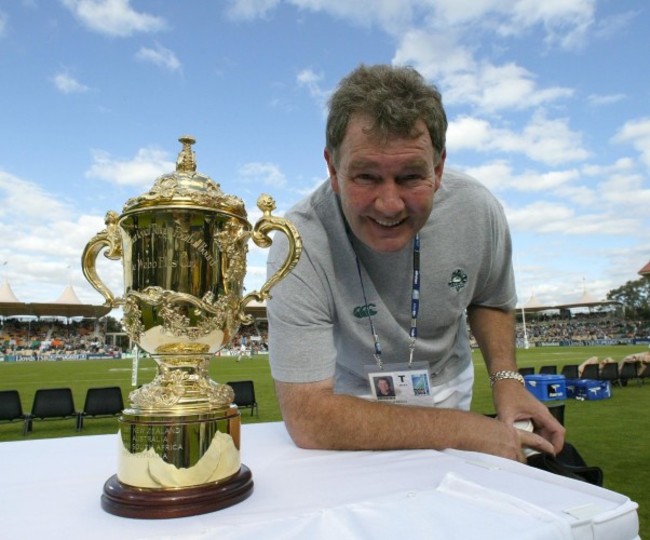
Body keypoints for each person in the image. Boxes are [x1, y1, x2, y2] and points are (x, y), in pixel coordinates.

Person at [266, 64, 565, 462]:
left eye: (410, 177)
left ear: (438, 168)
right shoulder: (297, 241)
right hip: (348, 400)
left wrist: (507, 380)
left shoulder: (476, 209)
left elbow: (490, 297)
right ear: (333, 169)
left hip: (447, 383)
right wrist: (469, 429)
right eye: (366, 176)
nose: (389, 205)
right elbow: (309, 417)